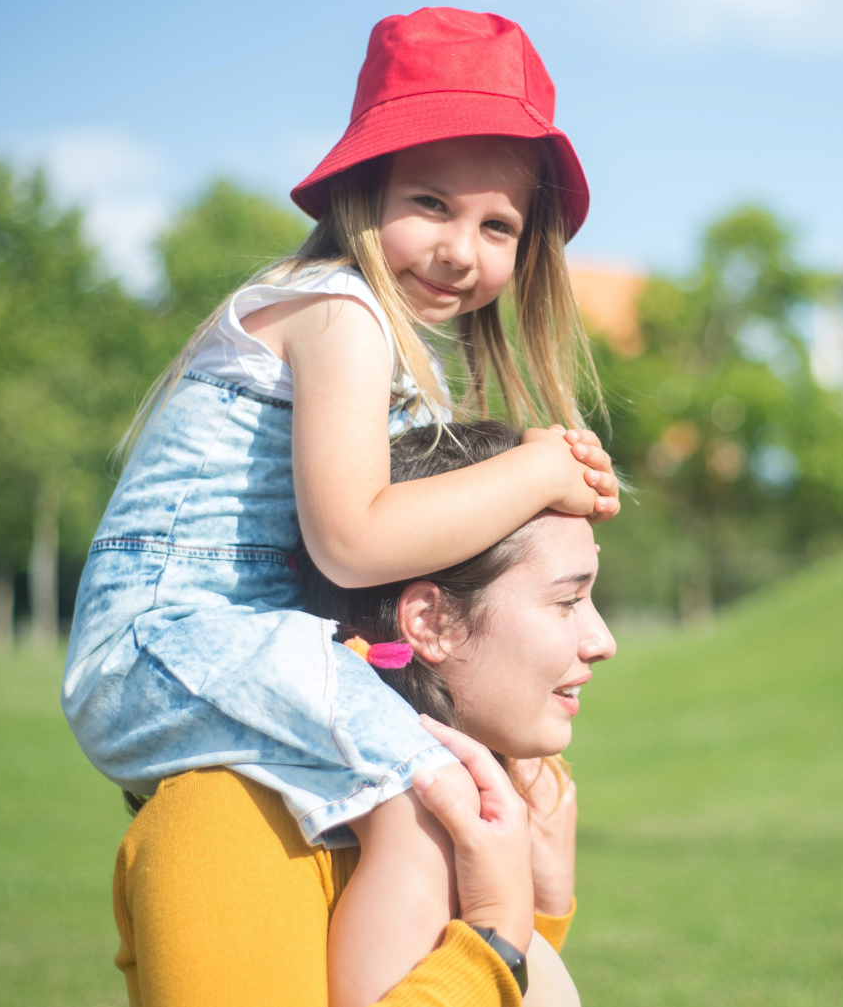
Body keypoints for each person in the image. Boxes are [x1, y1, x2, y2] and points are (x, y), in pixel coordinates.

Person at [64, 7, 620, 1004]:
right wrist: (535, 471)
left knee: (440, 796)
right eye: (430, 203)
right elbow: (355, 539)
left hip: (229, 637)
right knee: (422, 798)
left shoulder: (389, 351)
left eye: (497, 225)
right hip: (172, 635)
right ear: (363, 191)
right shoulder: (338, 310)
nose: (460, 249)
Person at [112, 422, 614, 1006]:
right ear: (430, 622)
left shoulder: (479, 829)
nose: (602, 640)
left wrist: (541, 915)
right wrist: (495, 936)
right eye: (568, 601)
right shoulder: (227, 821)